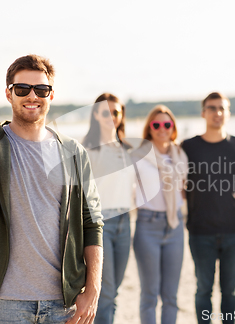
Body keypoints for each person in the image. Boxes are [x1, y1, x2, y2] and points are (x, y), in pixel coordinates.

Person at [0, 54, 104, 324]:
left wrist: (93, 290)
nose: (32, 96)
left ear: (51, 95)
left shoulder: (73, 152)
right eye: (22, 89)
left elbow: (92, 222)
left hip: (64, 301)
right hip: (6, 302)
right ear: (8, 93)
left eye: (41, 89)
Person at [181, 92, 235, 324]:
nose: (217, 112)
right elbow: (179, 183)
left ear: (228, 113)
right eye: (211, 108)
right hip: (200, 232)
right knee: (203, 290)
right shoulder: (188, 146)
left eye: (221, 108)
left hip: (234, 231)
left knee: (230, 292)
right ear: (203, 112)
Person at [131, 105, 188, 324]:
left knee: (171, 296)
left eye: (167, 124)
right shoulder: (138, 155)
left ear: (173, 127)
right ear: (149, 129)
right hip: (148, 226)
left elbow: (182, 188)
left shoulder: (180, 155)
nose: (162, 128)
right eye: (157, 124)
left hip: (175, 226)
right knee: (149, 295)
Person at [82, 93, 135, 324]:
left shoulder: (128, 150)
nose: (111, 117)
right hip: (101, 223)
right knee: (106, 290)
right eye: (106, 112)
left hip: (126, 221)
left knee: (114, 291)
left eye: (115, 112)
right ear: (96, 114)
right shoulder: (87, 150)